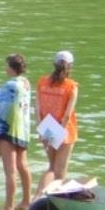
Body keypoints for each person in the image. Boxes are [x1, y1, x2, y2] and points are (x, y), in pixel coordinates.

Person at [0, 53, 32, 210]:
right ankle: (27, 201)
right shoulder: (26, 83)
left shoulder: (10, 86)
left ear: (12, 68)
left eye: (6, 65)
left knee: (10, 170)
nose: (5, 68)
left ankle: (9, 208)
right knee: (23, 165)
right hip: (23, 130)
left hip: (8, 131)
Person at [34, 51, 79, 197]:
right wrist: (59, 133)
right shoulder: (71, 86)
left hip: (47, 126)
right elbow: (67, 114)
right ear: (70, 67)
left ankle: (38, 198)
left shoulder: (42, 82)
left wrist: (42, 129)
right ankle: (56, 205)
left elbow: (38, 108)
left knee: (52, 167)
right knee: (60, 172)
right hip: (64, 130)